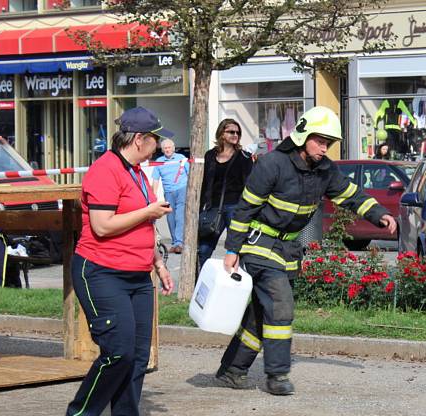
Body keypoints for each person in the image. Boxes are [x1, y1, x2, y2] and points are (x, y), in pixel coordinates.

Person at [216, 106, 397, 395]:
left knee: (262, 314)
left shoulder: (325, 170)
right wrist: (232, 250)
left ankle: (233, 370)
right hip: (260, 245)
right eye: (320, 140)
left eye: (329, 143)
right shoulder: (271, 164)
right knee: (280, 305)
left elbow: (351, 195)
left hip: (287, 248)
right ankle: (277, 375)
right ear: (302, 136)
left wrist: (379, 214)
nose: (325, 148)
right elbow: (244, 209)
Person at [64, 106, 174, 416]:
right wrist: (149, 211)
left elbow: (143, 225)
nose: (158, 144)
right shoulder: (104, 171)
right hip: (100, 271)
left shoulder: (138, 172)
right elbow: (102, 226)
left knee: (138, 356)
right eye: (155, 138)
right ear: (139, 139)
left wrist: (158, 263)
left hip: (137, 274)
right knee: (119, 351)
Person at [198, 119, 253, 268]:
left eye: (238, 132)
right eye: (231, 132)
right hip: (213, 207)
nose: (235, 135)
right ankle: (202, 283)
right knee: (203, 250)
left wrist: (246, 210)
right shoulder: (210, 155)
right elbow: (205, 182)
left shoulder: (244, 157)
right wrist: (200, 207)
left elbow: (249, 185)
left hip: (235, 207)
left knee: (236, 250)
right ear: (222, 133)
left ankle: (235, 283)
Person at [154, 139, 189, 254]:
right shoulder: (159, 161)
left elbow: (190, 174)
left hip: (182, 189)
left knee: (179, 216)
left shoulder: (181, 158)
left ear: (173, 148)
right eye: (165, 148)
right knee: (170, 217)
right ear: (162, 149)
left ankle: (179, 243)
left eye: (169, 147)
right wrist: (153, 195)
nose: (167, 150)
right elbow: (155, 179)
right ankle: (175, 243)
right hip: (168, 192)